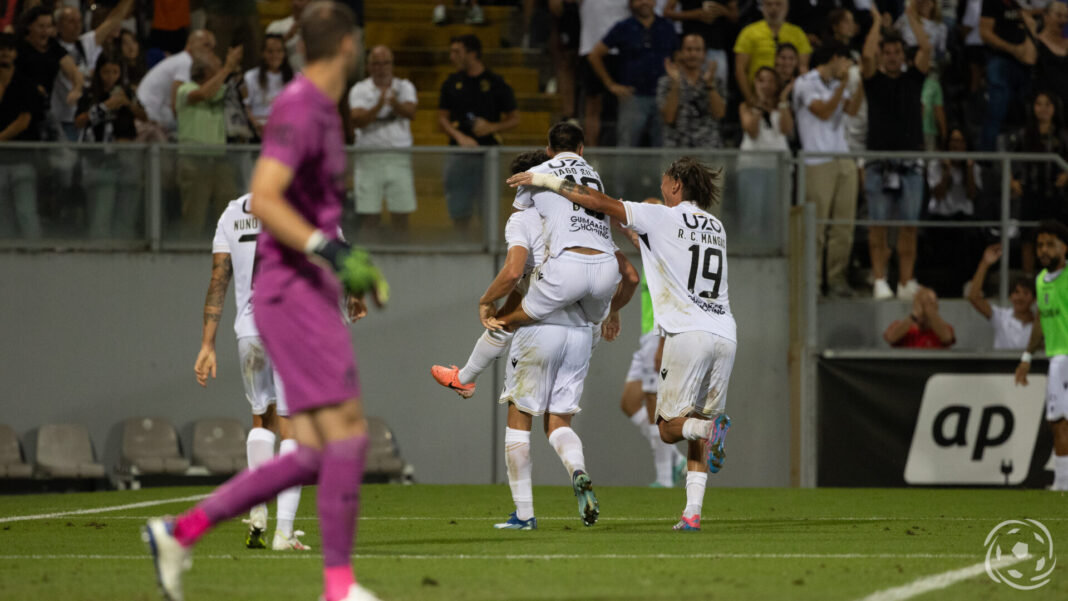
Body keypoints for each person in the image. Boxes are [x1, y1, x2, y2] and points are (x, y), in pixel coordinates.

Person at [143, 4, 388, 601]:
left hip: (302, 292)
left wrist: (345, 272)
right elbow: (266, 197)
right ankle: (338, 586)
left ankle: (181, 530)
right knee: (344, 436)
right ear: (349, 47)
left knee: (313, 448)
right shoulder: (302, 106)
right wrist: (333, 254)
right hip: (291, 295)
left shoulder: (322, 112)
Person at [507, 157, 736, 532]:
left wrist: (546, 180)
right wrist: (631, 232)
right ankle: (692, 512)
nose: (661, 184)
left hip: (687, 333)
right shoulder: (716, 226)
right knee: (696, 417)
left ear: (675, 185)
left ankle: (709, 433)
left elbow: (597, 201)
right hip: (725, 332)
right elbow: (661, 246)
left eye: (664, 179)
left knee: (669, 428)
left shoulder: (660, 215)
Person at [431, 148, 639, 399]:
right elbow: (630, 275)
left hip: (548, 297)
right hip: (585, 326)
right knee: (559, 421)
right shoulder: (585, 217)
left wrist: (485, 301)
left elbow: (513, 271)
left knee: (505, 319)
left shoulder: (522, 218)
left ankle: (465, 378)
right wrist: (613, 310)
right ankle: (466, 378)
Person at [194, 193, 316, 552]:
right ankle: (284, 533)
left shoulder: (231, 212)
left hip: (249, 332)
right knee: (294, 427)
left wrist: (206, 344)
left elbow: (219, 280)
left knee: (262, 420)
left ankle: (259, 511)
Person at [861, 2, 932, 301]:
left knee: (909, 226)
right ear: (882, 56)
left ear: (903, 56)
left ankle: (905, 280)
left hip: (910, 162)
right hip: (879, 162)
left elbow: (926, 50)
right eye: (886, 53)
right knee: (877, 226)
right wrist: (877, 22)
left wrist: (912, 18)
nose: (891, 58)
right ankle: (880, 279)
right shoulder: (873, 81)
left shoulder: (913, 80)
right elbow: (866, 55)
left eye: (896, 53)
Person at [793, 43, 864, 297]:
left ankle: (836, 281)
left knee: (843, 226)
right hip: (817, 160)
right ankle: (811, 285)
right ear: (836, 57)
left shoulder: (837, 84)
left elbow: (853, 110)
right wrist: (844, 85)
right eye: (846, 62)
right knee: (817, 228)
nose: (847, 67)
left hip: (843, 157)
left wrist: (861, 80)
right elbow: (822, 112)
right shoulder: (805, 82)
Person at [437, 34, 519, 229]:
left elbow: (515, 118)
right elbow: (442, 118)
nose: (452, 57)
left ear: (472, 54)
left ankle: (488, 248)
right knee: (459, 208)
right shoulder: (451, 83)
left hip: (489, 155)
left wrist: (492, 127)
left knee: (488, 206)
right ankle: (460, 245)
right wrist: (460, 137)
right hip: (459, 153)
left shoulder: (496, 83)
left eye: (457, 52)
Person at [1016, 220, 1068, 491]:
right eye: (1039, 245)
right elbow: (1040, 322)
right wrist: (1026, 358)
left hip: (1065, 358)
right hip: (1056, 359)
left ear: (1064, 247)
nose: (1044, 250)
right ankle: (1062, 483)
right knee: (1058, 422)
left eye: (1050, 244)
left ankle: (1062, 485)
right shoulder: (1041, 280)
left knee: (1058, 421)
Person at [587, 0, 679, 148]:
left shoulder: (667, 27)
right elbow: (595, 55)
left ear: (655, 2)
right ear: (631, 4)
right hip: (633, 96)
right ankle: (622, 173)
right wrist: (611, 85)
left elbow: (678, 57)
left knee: (664, 148)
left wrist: (675, 85)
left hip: (664, 96)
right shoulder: (623, 27)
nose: (644, 2)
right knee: (626, 146)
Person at [174, 47, 243, 237]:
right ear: (204, 72)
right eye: (218, 67)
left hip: (220, 162)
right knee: (193, 215)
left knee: (229, 213)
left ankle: (229, 255)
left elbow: (242, 94)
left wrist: (235, 72)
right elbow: (203, 95)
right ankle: (188, 253)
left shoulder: (220, 91)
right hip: (194, 161)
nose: (222, 70)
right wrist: (227, 68)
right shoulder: (185, 90)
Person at [74, 51, 143, 239]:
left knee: (126, 213)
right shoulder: (91, 94)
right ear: (99, 72)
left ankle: (124, 247)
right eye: (106, 72)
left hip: (127, 159)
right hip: (100, 162)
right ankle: (98, 246)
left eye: (115, 72)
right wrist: (106, 106)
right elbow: (79, 121)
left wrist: (127, 103)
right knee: (101, 212)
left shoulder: (128, 92)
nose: (111, 77)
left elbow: (145, 116)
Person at [349, 45, 417, 233]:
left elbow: (411, 112)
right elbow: (358, 120)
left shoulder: (404, 86)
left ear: (392, 65)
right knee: (369, 214)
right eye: (376, 63)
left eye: (386, 63)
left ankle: (403, 257)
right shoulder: (360, 89)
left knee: (401, 213)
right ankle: (369, 258)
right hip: (369, 158)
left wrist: (394, 103)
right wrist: (379, 104)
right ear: (368, 66)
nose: (381, 68)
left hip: (399, 157)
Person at [51, 0, 134, 141]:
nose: (77, 25)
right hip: (62, 117)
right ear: (58, 25)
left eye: (79, 20)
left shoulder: (86, 42)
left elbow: (114, 19)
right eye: (71, 21)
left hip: (88, 115)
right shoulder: (51, 47)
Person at [1011, 91, 1068, 274]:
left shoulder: (1063, 134)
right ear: (1033, 108)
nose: (1043, 109)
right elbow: (1006, 159)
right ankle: (1028, 281)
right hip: (1031, 192)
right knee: (1028, 238)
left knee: (1058, 236)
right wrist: (1012, 180)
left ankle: (1059, 277)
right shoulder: (1024, 134)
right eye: (1039, 104)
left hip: (1056, 193)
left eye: (1047, 104)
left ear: (1054, 108)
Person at [737, 66, 792, 240]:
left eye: (770, 81)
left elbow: (786, 129)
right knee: (752, 213)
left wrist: (783, 101)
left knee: (776, 214)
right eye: (761, 80)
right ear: (755, 83)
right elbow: (751, 131)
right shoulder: (746, 106)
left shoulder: (782, 106)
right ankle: (751, 252)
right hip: (752, 166)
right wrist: (758, 105)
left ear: (776, 85)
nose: (766, 85)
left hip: (778, 167)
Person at [16, 6, 83, 140]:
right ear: (29, 26)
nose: (45, 31)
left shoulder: (53, 47)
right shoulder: (19, 47)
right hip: (19, 107)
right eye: (41, 26)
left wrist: (76, 89)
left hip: (43, 109)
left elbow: (74, 71)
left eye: (49, 26)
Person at [979, 0, 1036, 150]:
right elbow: (985, 33)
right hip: (1001, 59)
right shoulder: (994, 3)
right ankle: (987, 160)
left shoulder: (1030, 4)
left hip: (1027, 64)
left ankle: (1023, 158)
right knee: (996, 110)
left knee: (1026, 113)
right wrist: (1013, 50)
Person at [733, 0, 812, 106]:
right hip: (759, 96)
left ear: (787, 7)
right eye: (769, 4)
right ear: (762, 7)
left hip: (790, 96)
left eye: (778, 4)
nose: (774, 9)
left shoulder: (798, 33)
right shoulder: (748, 33)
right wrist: (750, 100)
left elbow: (803, 69)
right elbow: (740, 69)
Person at [0, 31, 40, 239]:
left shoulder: (25, 84)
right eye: (1, 49)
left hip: (22, 159)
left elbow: (24, 121)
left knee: (26, 211)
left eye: (9, 49)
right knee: (2, 215)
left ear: (15, 53)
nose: (4, 54)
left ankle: (35, 254)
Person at [136, 29, 215, 133]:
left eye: (212, 47)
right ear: (191, 43)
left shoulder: (181, 59)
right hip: (150, 113)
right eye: (206, 45)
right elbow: (177, 98)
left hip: (152, 109)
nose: (209, 51)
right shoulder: (186, 61)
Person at [657, 33, 726, 148]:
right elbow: (669, 118)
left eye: (698, 50)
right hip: (677, 149)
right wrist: (675, 84)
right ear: (680, 53)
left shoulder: (715, 81)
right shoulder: (666, 82)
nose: (693, 54)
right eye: (688, 49)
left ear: (704, 54)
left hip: (708, 148)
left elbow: (719, 114)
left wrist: (709, 85)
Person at [577, 0, 630, 146]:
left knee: (625, 102)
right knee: (593, 103)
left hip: (622, 50)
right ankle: (591, 151)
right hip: (591, 46)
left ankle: (622, 150)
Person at [663, 0, 739, 95]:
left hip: (716, 47)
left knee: (718, 92)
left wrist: (722, 10)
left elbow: (735, 16)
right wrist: (696, 15)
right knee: (686, 93)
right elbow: (667, 12)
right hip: (690, 48)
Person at [967, 243, 1035, 349]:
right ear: (1010, 297)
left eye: (1025, 293)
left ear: (1034, 299)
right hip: (1001, 366)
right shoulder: (1002, 317)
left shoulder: (1041, 323)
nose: (1020, 297)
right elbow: (974, 297)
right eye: (1016, 292)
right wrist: (985, 263)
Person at [242, 34, 294, 139]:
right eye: (270, 51)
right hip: (258, 134)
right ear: (262, 53)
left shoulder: (295, 78)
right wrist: (257, 126)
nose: (275, 55)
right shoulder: (250, 76)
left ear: (284, 54)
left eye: (279, 51)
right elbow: (246, 106)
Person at [1028, 2, 1068, 114]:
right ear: (1046, 16)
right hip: (1046, 107)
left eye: (1066, 16)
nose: (1063, 20)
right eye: (1059, 15)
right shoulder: (1035, 42)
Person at [883, 287, 956, 348]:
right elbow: (891, 338)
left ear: (936, 307)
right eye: (920, 303)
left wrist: (931, 313)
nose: (924, 309)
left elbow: (947, 338)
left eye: (929, 304)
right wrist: (914, 315)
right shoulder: (901, 326)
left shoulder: (944, 328)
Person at [266, 0, 310, 72]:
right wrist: (287, 37)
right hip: (284, 78)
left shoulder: (320, 27)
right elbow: (266, 52)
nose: (297, 2)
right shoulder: (276, 27)